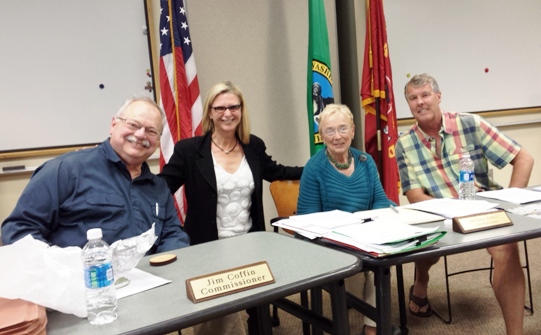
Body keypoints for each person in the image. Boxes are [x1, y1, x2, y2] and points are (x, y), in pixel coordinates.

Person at [159, 81, 303, 335]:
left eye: (233, 107)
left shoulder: (253, 145)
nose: (228, 113)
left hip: (250, 242)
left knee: (258, 305)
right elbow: (161, 188)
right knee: (219, 318)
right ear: (210, 112)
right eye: (220, 107)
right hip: (207, 246)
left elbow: (277, 171)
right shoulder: (190, 151)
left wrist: (315, 168)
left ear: (241, 110)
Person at [396, 73, 534, 335]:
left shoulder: (471, 124)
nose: (420, 102)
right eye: (413, 98)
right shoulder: (404, 144)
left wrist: (511, 205)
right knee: (423, 240)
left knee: (507, 247)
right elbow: (414, 196)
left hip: (484, 208)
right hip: (438, 212)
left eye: (425, 95)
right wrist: (450, 211)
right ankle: (421, 280)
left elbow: (524, 159)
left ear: (438, 96)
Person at [1, 96, 190, 254]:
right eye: (133, 125)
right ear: (113, 124)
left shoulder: (158, 186)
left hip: (149, 285)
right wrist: (66, 268)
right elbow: (18, 232)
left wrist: (171, 267)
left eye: (151, 131)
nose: (141, 135)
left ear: (157, 141)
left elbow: (172, 234)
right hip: (82, 287)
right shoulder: (65, 170)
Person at [296, 104, 398, 335]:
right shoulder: (314, 168)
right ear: (322, 136)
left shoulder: (365, 161)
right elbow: (308, 219)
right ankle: (353, 314)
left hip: (366, 239)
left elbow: (380, 200)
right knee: (359, 268)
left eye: (343, 129)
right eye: (330, 131)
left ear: (352, 130)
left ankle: (371, 329)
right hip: (331, 244)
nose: (337, 136)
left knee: (378, 264)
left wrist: (392, 213)